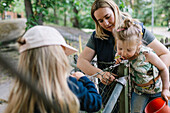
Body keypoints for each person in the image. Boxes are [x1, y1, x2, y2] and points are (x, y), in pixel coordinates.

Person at [77, 0, 170, 110]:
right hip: (112, 96)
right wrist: (100, 74)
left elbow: (165, 53)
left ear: (115, 9)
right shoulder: (97, 37)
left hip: (142, 94)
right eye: (100, 21)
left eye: (108, 17)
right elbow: (81, 61)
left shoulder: (135, 31)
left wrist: (151, 77)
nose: (106, 23)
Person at [4, 25, 102, 113]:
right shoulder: (69, 86)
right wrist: (83, 79)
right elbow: (96, 103)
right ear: (58, 57)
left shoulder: (20, 93)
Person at [114, 18, 170, 113]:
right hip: (139, 91)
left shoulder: (147, 54)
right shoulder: (123, 56)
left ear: (138, 45)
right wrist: (117, 59)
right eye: (120, 48)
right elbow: (119, 58)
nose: (124, 53)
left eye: (128, 50)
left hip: (157, 90)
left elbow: (163, 69)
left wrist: (165, 89)